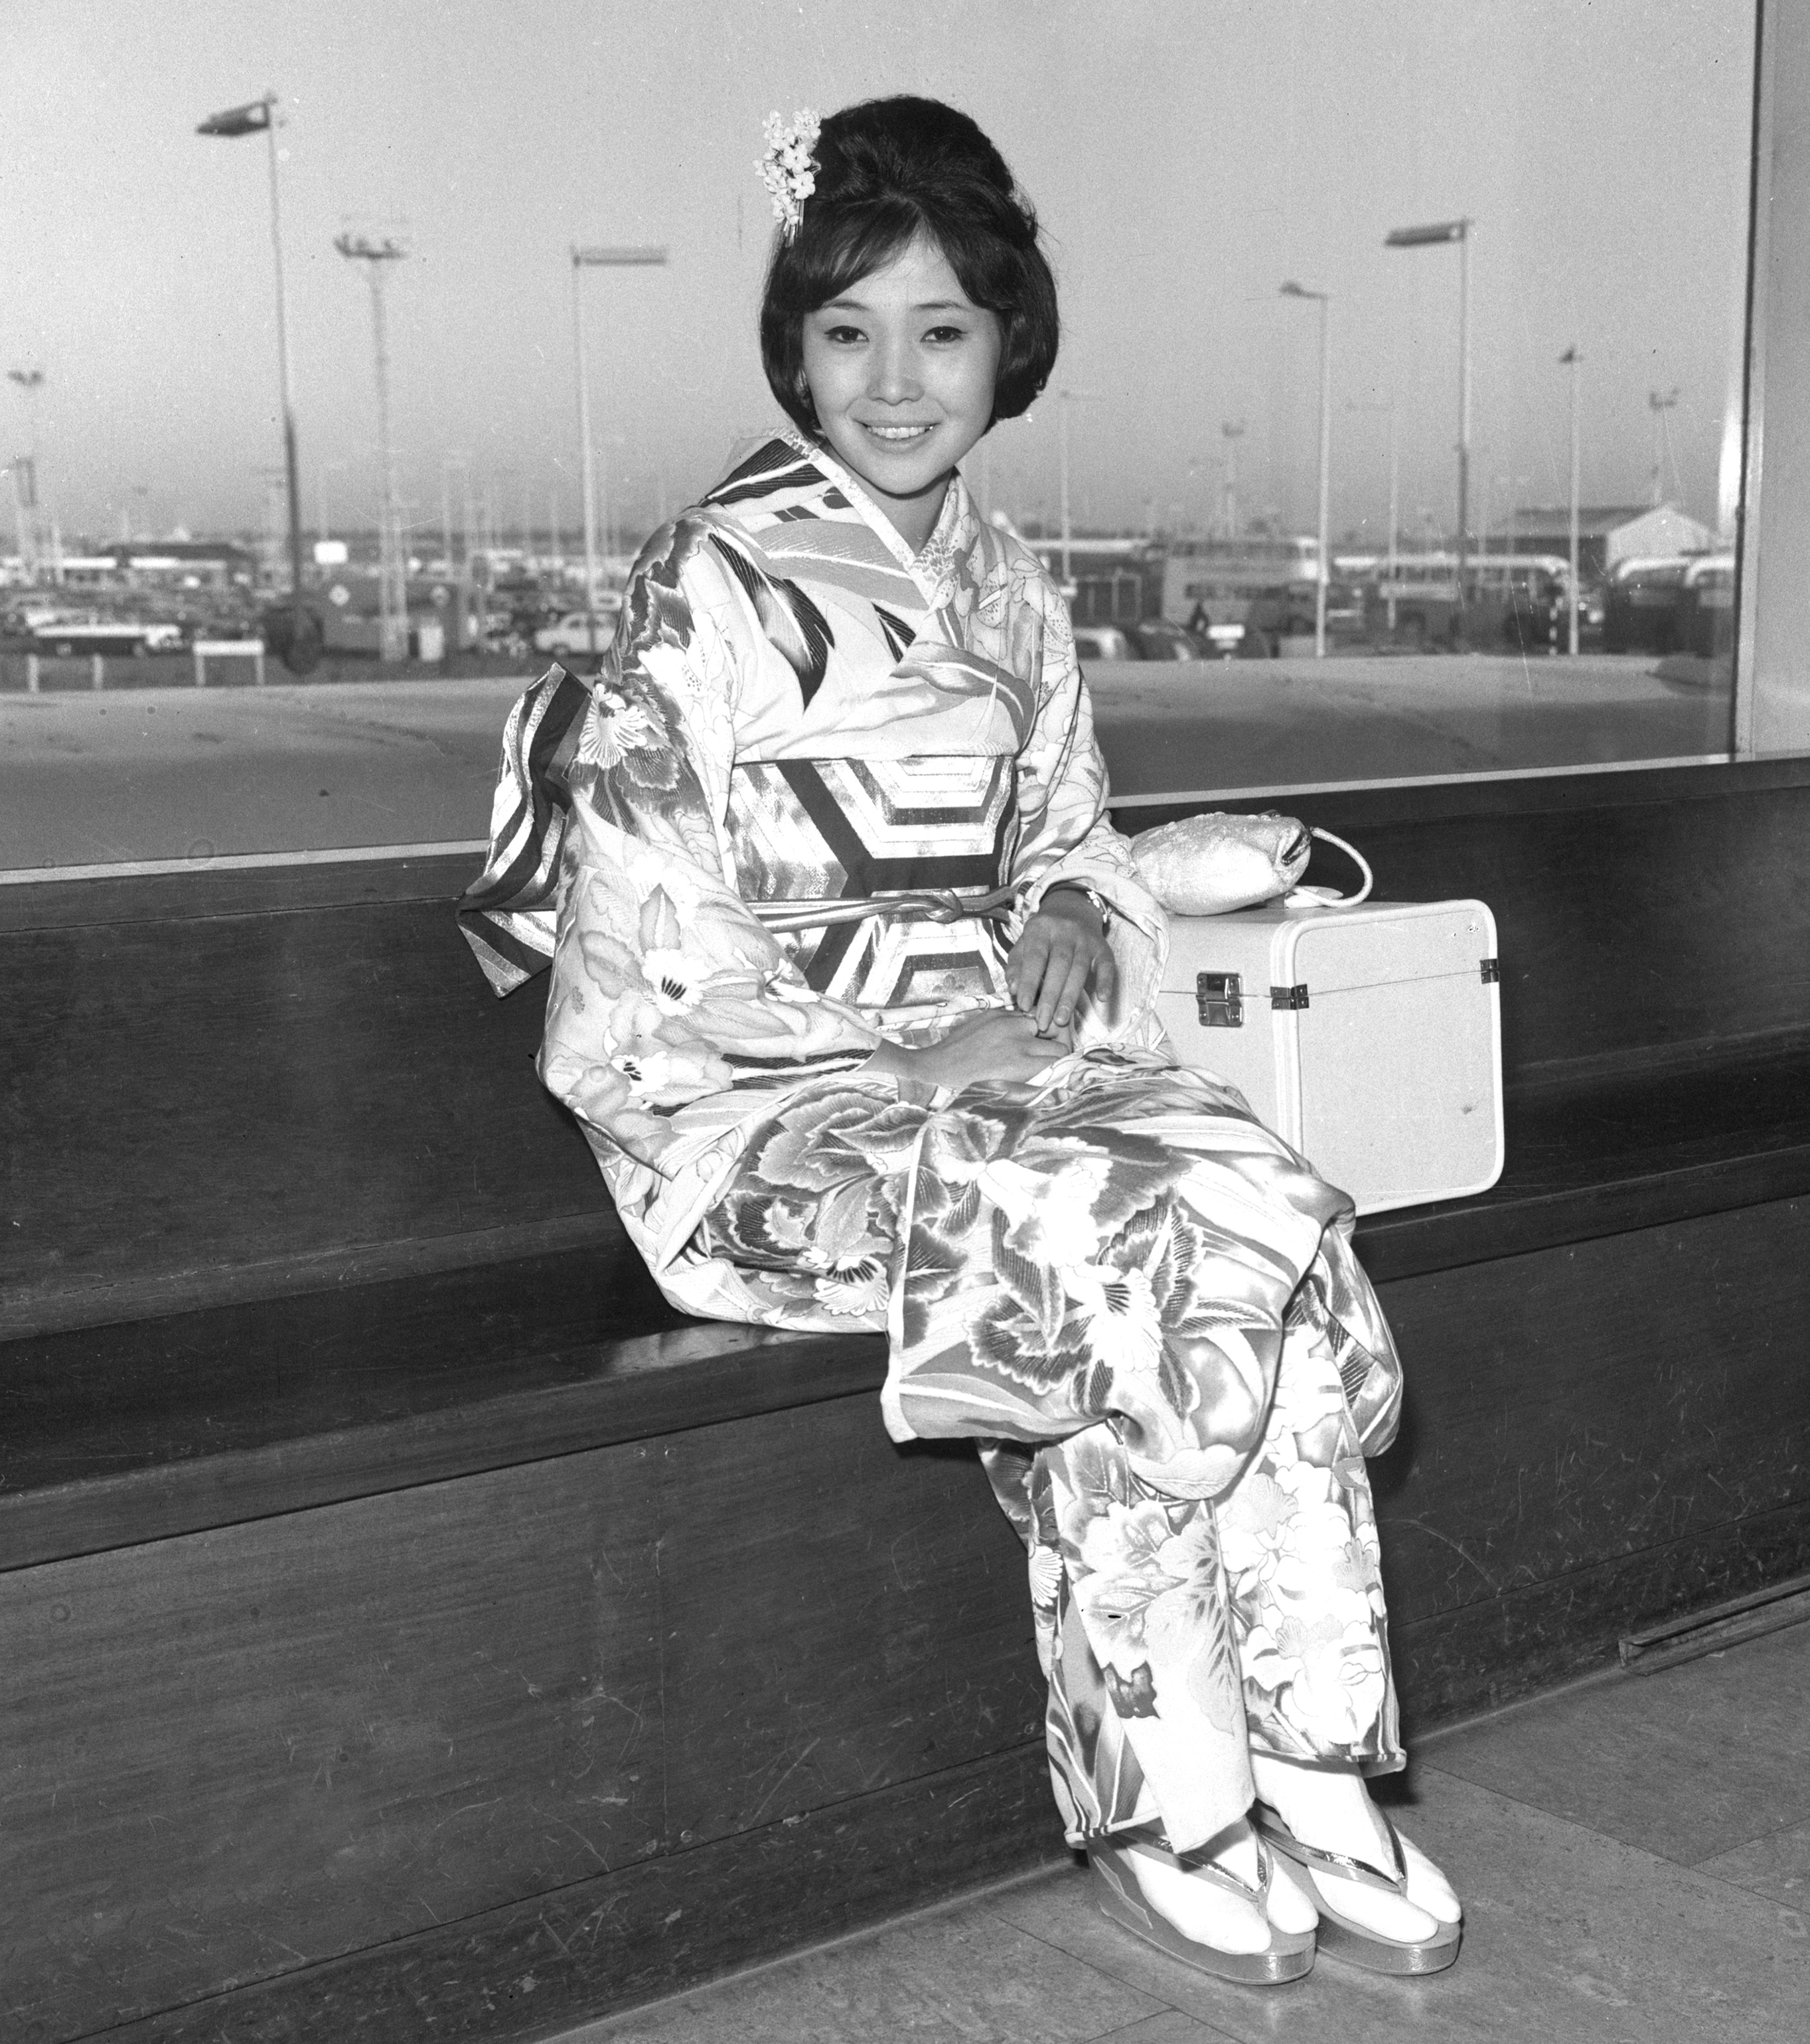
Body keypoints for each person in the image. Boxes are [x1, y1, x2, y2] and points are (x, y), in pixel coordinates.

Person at [460, 95, 1460, 1987]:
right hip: (761, 1129)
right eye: (847, 333)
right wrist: (896, 1065)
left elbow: (1065, 830)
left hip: (1000, 1081)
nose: (893, 382)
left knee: (1276, 1222)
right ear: (795, 350)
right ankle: (1186, 1792)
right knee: (1159, 1247)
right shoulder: (709, 583)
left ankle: (1314, 1759)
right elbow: (639, 935)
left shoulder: (1014, 590)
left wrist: (1082, 905)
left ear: (1012, 343)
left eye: (939, 330)